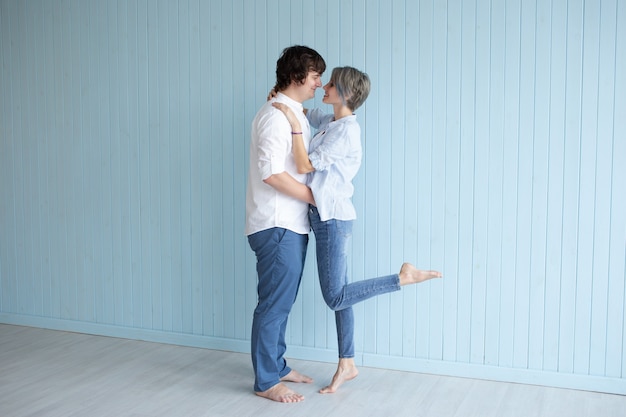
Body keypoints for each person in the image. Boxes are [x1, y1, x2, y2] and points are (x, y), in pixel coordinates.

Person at [271, 66, 442, 394]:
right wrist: (290, 106)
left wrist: (293, 125)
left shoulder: (347, 131)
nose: (325, 85)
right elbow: (313, 114)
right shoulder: (334, 122)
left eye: (332, 84)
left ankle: (401, 278)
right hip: (325, 217)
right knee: (343, 294)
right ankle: (347, 363)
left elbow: (306, 165)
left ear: (346, 94)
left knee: (335, 296)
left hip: (332, 219)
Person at [245, 45, 326, 403]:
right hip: (276, 225)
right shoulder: (275, 116)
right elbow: (271, 174)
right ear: (297, 76)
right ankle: (266, 381)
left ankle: (276, 366)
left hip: (290, 225)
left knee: (282, 301)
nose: (319, 83)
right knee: (273, 304)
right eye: (314, 76)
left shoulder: (291, 111)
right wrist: (314, 198)